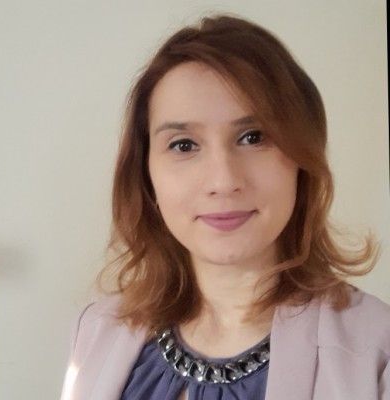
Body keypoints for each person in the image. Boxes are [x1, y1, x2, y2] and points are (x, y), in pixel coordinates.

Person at [60, 13, 390, 400]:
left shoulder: (377, 349)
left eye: (253, 137)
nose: (223, 181)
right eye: (183, 145)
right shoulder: (95, 331)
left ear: (303, 158)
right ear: (146, 173)